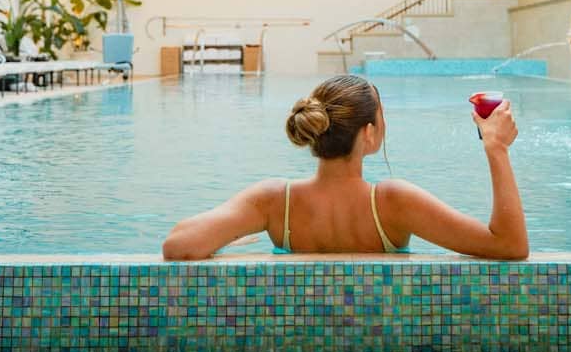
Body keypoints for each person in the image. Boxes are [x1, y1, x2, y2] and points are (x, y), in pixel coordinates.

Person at [162, 74, 528, 260]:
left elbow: (178, 244)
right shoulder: (394, 202)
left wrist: (227, 235)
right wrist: (496, 149)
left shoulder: (273, 202)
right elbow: (510, 245)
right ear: (369, 135)